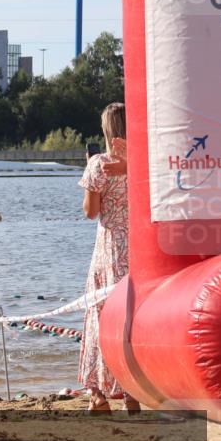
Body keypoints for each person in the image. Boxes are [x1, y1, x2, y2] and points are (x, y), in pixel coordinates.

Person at [79, 102, 137, 415]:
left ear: (106, 130)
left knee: (100, 316)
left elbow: (91, 211)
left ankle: (98, 393)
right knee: (131, 319)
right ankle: (132, 391)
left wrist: (90, 170)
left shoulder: (100, 163)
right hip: (139, 247)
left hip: (110, 248)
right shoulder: (143, 163)